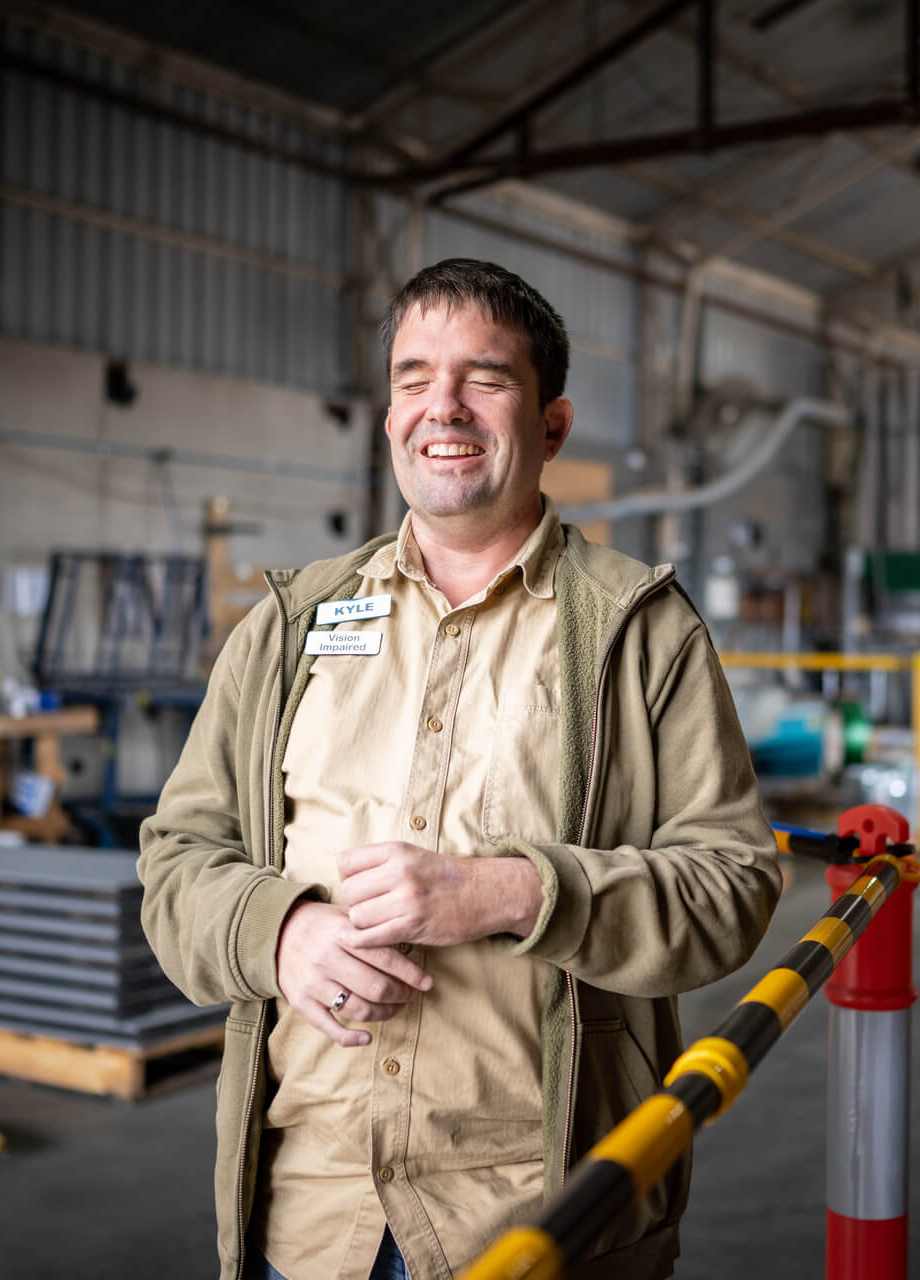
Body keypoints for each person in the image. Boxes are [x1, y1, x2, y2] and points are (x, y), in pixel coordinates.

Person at [139, 258, 782, 1280]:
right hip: (311, 1217)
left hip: (533, 1216)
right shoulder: (289, 624)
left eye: (483, 376)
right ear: (390, 414)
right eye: (412, 376)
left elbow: (734, 884)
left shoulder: (635, 630)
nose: (442, 405)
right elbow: (177, 861)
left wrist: (513, 888)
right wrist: (280, 929)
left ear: (552, 425)